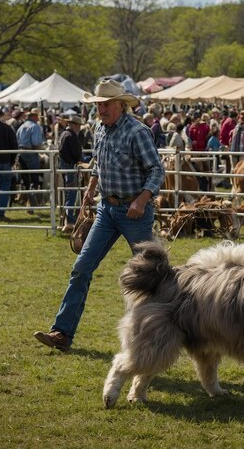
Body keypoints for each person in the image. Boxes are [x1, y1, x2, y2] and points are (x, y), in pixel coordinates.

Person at [34, 79, 165, 352]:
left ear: (120, 105)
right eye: (98, 105)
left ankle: (166, 331)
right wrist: (90, 189)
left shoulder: (136, 132)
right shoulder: (99, 129)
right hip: (106, 209)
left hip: (135, 212)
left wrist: (142, 200)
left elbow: (156, 170)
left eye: (105, 105)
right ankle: (62, 332)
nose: (101, 109)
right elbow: (97, 164)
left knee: (152, 274)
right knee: (81, 267)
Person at [58, 115, 84, 233]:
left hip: (65, 165)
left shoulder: (64, 134)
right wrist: (76, 160)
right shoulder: (71, 136)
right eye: (78, 125)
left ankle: (66, 219)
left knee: (68, 193)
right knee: (71, 193)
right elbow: (76, 152)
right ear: (74, 125)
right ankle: (70, 221)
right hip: (70, 166)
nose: (79, 128)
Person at [15, 108, 44, 211]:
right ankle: (31, 204)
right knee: (34, 178)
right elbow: (36, 142)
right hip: (31, 152)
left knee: (26, 179)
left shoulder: (21, 127)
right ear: (34, 117)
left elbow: (16, 139)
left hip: (21, 152)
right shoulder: (35, 127)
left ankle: (27, 200)